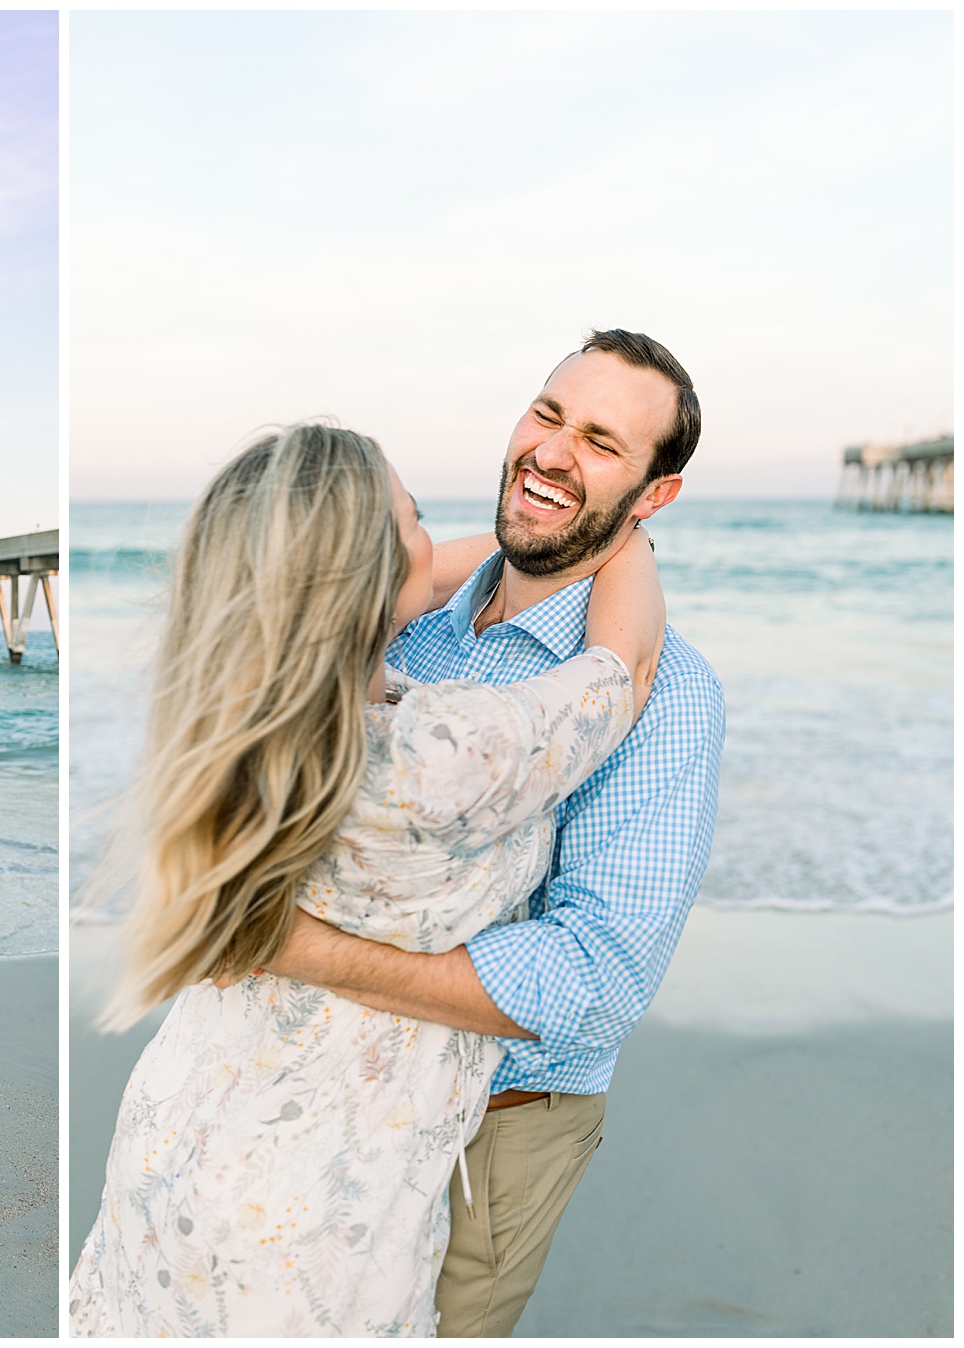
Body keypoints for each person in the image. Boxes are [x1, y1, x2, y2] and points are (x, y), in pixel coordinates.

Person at [69, 420, 668, 1335]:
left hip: (172, 1143)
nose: (436, 546)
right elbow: (617, 669)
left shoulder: (228, 723)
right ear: (365, 575)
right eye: (417, 520)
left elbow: (428, 572)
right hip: (315, 1211)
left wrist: (543, 530)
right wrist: (625, 526)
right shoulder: (443, 754)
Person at [264, 330, 726, 1335]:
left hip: (495, 1125)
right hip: (314, 1084)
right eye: (548, 413)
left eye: (603, 442)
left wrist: (306, 952)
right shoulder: (401, 617)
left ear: (655, 495)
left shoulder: (671, 696)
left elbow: (597, 980)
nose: (553, 451)